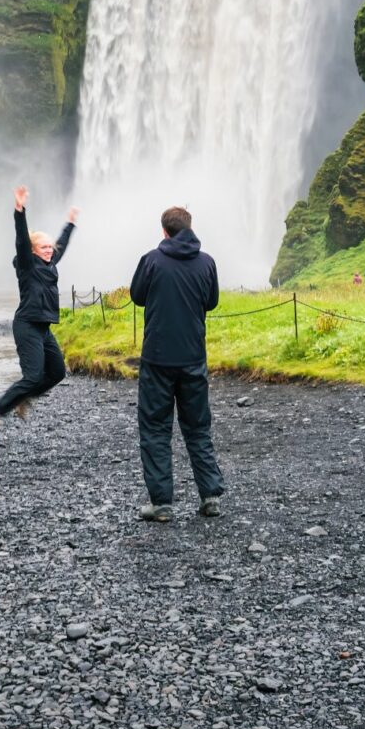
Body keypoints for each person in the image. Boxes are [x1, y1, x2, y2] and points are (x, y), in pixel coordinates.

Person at [129, 206, 225, 522]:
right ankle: (210, 496)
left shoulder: (151, 261)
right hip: (193, 357)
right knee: (198, 427)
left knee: (155, 428)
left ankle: (162, 503)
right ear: (189, 228)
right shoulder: (207, 262)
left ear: (165, 231)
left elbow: (137, 296)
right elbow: (211, 302)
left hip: (157, 358)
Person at [0, 186, 77, 441]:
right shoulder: (27, 264)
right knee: (32, 376)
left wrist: (70, 224)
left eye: (49, 247)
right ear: (32, 250)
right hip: (27, 325)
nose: (48, 250)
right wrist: (19, 210)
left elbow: (60, 247)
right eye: (43, 247)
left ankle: (23, 398)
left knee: (57, 372)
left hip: (43, 328)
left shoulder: (49, 262)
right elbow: (22, 240)